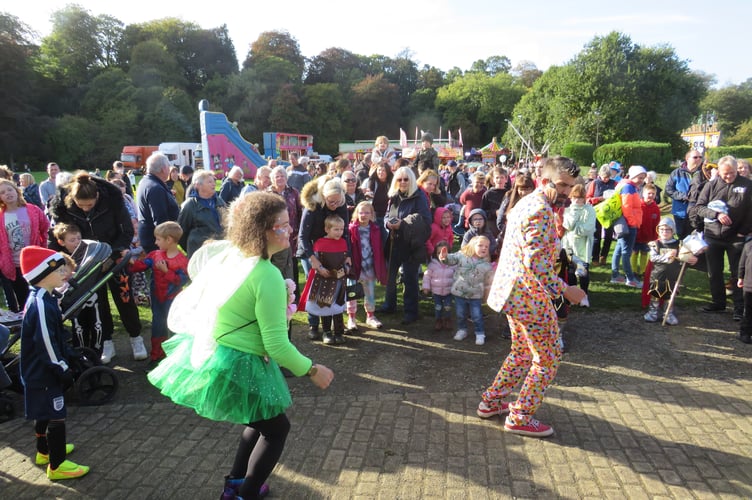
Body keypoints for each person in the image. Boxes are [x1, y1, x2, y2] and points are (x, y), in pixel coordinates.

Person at [147, 192, 334, 499]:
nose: (290, 231)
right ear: (261, 230)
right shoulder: (266, 275)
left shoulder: (237, 258)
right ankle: (244, 493)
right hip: (240, 361)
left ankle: (236, 483)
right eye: (283, 226)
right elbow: (277, 344)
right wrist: (312, 370)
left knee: (260, 418)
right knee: (276, 429)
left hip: (225, 356)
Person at [480, 156, 586, 438]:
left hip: (514, 293)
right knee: (548, 357)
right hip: (527, 295)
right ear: (544, 180)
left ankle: (492, 401)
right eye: (562, 184)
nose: (566, 192)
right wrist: (567, 290)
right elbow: (536, 266)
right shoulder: (539, 209)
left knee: (522, 352)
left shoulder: (529, 202)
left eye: (571, 186)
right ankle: (520, 416)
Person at [48, 172, 144, 364]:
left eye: (89, 205)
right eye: (80, 205)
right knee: (98, 303)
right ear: (71, 199)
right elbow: (59, 236)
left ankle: (136, 337)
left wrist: (116, 252)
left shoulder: (114, 201)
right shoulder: (63, 208)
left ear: (98, 197)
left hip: (115, 258)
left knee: (124, 299)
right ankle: (106, 341)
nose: (85, 209)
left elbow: (126, 231)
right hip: (86, 262)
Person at [19, 246, 90, 480]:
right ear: (41, 275)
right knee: (56, 415)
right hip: (45, 371)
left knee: (44, 411)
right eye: (59, 270)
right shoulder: (40, 303)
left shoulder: (45, 297)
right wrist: (62, 367)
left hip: (39, 371)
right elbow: (45, 341)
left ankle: (43, 452)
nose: (64, 273)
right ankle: (57, 465)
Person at [694, 156, 752, 320]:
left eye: (732, 173)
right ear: (718, 171)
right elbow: (699, 207)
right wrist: (715, 214)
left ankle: (739, 308)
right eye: (725, 174)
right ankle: (718, 303)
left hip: (736, 237)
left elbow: (750, 211)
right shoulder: (710, 185)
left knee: (737, 273)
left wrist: (744, 230)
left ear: (737, 170)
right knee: (714, 272)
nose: (729, 177)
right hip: (713, 235)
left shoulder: (747, 185)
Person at [129, 222, 189, 367]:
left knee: (174, 328)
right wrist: (129, 261)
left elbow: (181, 281)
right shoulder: (155, 255)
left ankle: (176, 359)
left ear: (169, 240)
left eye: (158, 239)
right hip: (157, 300)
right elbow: (142, 265)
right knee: (157, 328)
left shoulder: (181, 261)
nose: (155, 242)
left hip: (172, 301)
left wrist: (166, 272)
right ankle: (157, 357)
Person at [297, 177, 350, 340]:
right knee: (315, 284)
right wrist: (314, 260)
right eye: (331, 201)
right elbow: (303, 236)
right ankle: (314, 324)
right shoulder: (312, 207)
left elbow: (346, 232)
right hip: (311, 248)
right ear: (323, 196)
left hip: (334, 248)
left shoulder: (341, 206)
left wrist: (348, 256)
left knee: (334, 285)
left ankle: (336, 327)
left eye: (338, 201)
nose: (335, 205)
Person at [380, 167, 432, 325]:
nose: (402, 182)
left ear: (411, 180)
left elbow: (425, 221)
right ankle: (389, 305)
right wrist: (387, 224)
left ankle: (411, 311)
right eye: (399, 179)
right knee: (390, 277)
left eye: (406, 179)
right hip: (394, 242)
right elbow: (387, 215)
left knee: (410, 279)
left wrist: (403, 224)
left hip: (411, 244)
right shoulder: (394, 196)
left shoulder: (419, 197)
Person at [53, 223, 108, 356]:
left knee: (96, 325)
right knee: (79, 327)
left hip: (91, 296)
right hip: (73, 300)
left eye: (79, 238)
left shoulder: (89, 257)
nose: (77, 242)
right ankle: (81, 355)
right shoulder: (63, 259)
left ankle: (96, 353)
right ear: (62, 242)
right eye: (72, 240)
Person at [0, 179, 49, 312]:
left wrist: (43, 247)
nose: (8, 194)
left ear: (16, 190)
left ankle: (43, 322)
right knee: (23, 299)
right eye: (3, 192)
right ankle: (27, 325)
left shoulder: (32, 210)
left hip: (34, 261)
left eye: (10, 190)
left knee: (39, 295)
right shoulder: (1, 217)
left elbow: (45, 228)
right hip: (15, 265)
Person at [299, 215, 349, 345]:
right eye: (336, 229)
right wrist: (321, 269)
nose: (339, 232)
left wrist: (346, 268)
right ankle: (327, 332)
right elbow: (316, 261)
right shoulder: (320, 243)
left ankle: (339, 332)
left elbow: (346, 260)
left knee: (337, 307)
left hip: (338, 280)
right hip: (324, 280)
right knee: (325, 306)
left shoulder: (343, 242)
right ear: (327, 229)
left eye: (341, 229)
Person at [439, 235, 493, 345]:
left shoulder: (486, 265)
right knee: (460, 314)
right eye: (480, 245)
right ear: (472, 246)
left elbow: (488, 282)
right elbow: (451, 259)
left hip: (475, 295)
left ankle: (480, 333)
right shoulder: (462, 256)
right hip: (460, 292)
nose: (484, 248)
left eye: (486, 247)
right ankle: (462, 330)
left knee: (477, 316)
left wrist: (487, 294)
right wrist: (444, 257)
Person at [643, 217, 698, 325]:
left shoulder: (679, 244)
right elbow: (653, 258)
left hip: (673, 275)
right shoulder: (655, 244)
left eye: (668, 230)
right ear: (658, 230)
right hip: (658, 275)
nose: (665, 232)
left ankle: (668, 314)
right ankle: (653, 313)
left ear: (672, 231)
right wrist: (667, 257)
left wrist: (691, 259)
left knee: (670, 296)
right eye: (662, 229)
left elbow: (684, 257)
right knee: (656, 294)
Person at [345, 201, 387, 331]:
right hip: (355, 266)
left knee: (370, 292)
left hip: (369, 266)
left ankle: (370, 316)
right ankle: (351, 317)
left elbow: (380, 247)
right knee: (352, 293)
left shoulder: (375, 229)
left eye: (367, 212)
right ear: (356, 214)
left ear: (372, 214)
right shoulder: (351, 229)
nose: (363, 215)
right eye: (361, 212)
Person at [610, 165, 647, 287]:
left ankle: (615, 275)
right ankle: (630, 279)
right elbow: (627, 207)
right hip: (629, 224)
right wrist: (632, 223)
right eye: (639, 177)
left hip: (625, 223)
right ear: (633, 176)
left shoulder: (627, 185)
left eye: (643, 178)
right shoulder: (628, 188)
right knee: (626, 252)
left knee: (619, 250)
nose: (641, 180)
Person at [177, 170, 226, 259]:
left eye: (213, 181)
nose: (214, 184)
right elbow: (181, 232)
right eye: (209, 182)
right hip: (201, 253)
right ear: (197, 185)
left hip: (220, 250)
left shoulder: (220, 201)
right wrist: (192, 247)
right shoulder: (190, 205)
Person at [562, 184, 596, 296]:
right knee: (571, 270)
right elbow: (567, 225)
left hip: (583, 245)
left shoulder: (589, 210)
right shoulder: (568, 210)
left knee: (583, 271)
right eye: (575, 198)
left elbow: (589, 228)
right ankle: (573, 294)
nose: (578, 201)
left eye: (580, 198)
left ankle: (584, 294)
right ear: (571, 198)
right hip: (569, 244)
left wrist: (575, 229)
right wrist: (575, 212)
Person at [665, 149, 703, 239]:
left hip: (698, 212)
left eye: (700, 157)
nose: (699, 159)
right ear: (687, 159)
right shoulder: (676, 173)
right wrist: (684, 196)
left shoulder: (704, 174)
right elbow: (668, 189)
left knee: (697, 238)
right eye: (695, 157)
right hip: (681, 211)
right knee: (681, 236)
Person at [586, 164, 618, 265]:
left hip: (609, 213)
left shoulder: (615, 183)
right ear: (600, 175)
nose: (606, 179)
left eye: (608, 177)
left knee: (609, 236)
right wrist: (599, 199)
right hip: (597, 212)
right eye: (604, 177)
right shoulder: (595, 183)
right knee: (597, 236)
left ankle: (603, 256)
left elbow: (618, 196)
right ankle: (595, 258)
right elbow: (588, 198)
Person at [422, 240, 455, 331]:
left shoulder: (452, 264)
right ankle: (438, 320)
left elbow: (457, 276)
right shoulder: (432, 265)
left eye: (444, 252)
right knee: (438, 307)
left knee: (448, 306)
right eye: (438, 252)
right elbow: (427, 276)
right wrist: (426, 287)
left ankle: (448, 319)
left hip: (449, 291)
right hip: (437, 292)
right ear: (435, 253)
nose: (441, 255)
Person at [632, 184, 661, 277]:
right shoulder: (638, 205)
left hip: (648, 236)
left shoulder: (656, 208)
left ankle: (643, 271)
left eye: (653, 194)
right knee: (634, 252)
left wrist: (655, 237)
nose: (651, 196)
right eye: (649, 193)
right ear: (643, 194)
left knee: (645, 252)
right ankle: (633, 270)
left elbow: (656, 224)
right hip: (636, 235)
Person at [737, 235, 752, 343]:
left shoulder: (749, 244)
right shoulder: (749, 244)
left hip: (749, 284)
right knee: (748, 310)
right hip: (749, 285)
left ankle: (745, 333)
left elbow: (742, 263)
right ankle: (745, 333)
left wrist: (741, 277)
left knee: (748, 311)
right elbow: (742, 263)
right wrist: (741, 277)